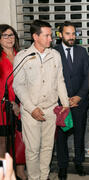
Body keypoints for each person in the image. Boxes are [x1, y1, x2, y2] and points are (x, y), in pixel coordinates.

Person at [13, 20, 69, 180]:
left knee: (47, 148)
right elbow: (19, 86)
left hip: (51, 110)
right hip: (31, 112)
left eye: (50, 35)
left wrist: (65, 104)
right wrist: (31, 108)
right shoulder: (23, 57)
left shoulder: (55, 55)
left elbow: (60, 81)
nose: (51, 39)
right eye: (47, 35)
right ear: (35, 37)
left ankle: (44, 177)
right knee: (32, 150)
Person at [54, 21, 89, 180]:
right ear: (60, 34)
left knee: (79, 134)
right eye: (68, 33)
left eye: (74, 33)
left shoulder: (82, 52)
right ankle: (62, 166)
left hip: (79, 102)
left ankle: (79, 162)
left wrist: (79, 96)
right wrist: (64, 99)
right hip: (60, 103)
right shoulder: (53, 52)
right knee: (61, 136)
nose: (71, 37)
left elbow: (88, 76)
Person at [0, 24, 27, 180]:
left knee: (20, 141)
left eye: (11, 35)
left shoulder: (21, 55)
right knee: (4, 143)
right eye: (5, 35)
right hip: (4, 107)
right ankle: (6, 175)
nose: (9, 38)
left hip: (23, 103)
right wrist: (11, 103)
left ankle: (20, 171)